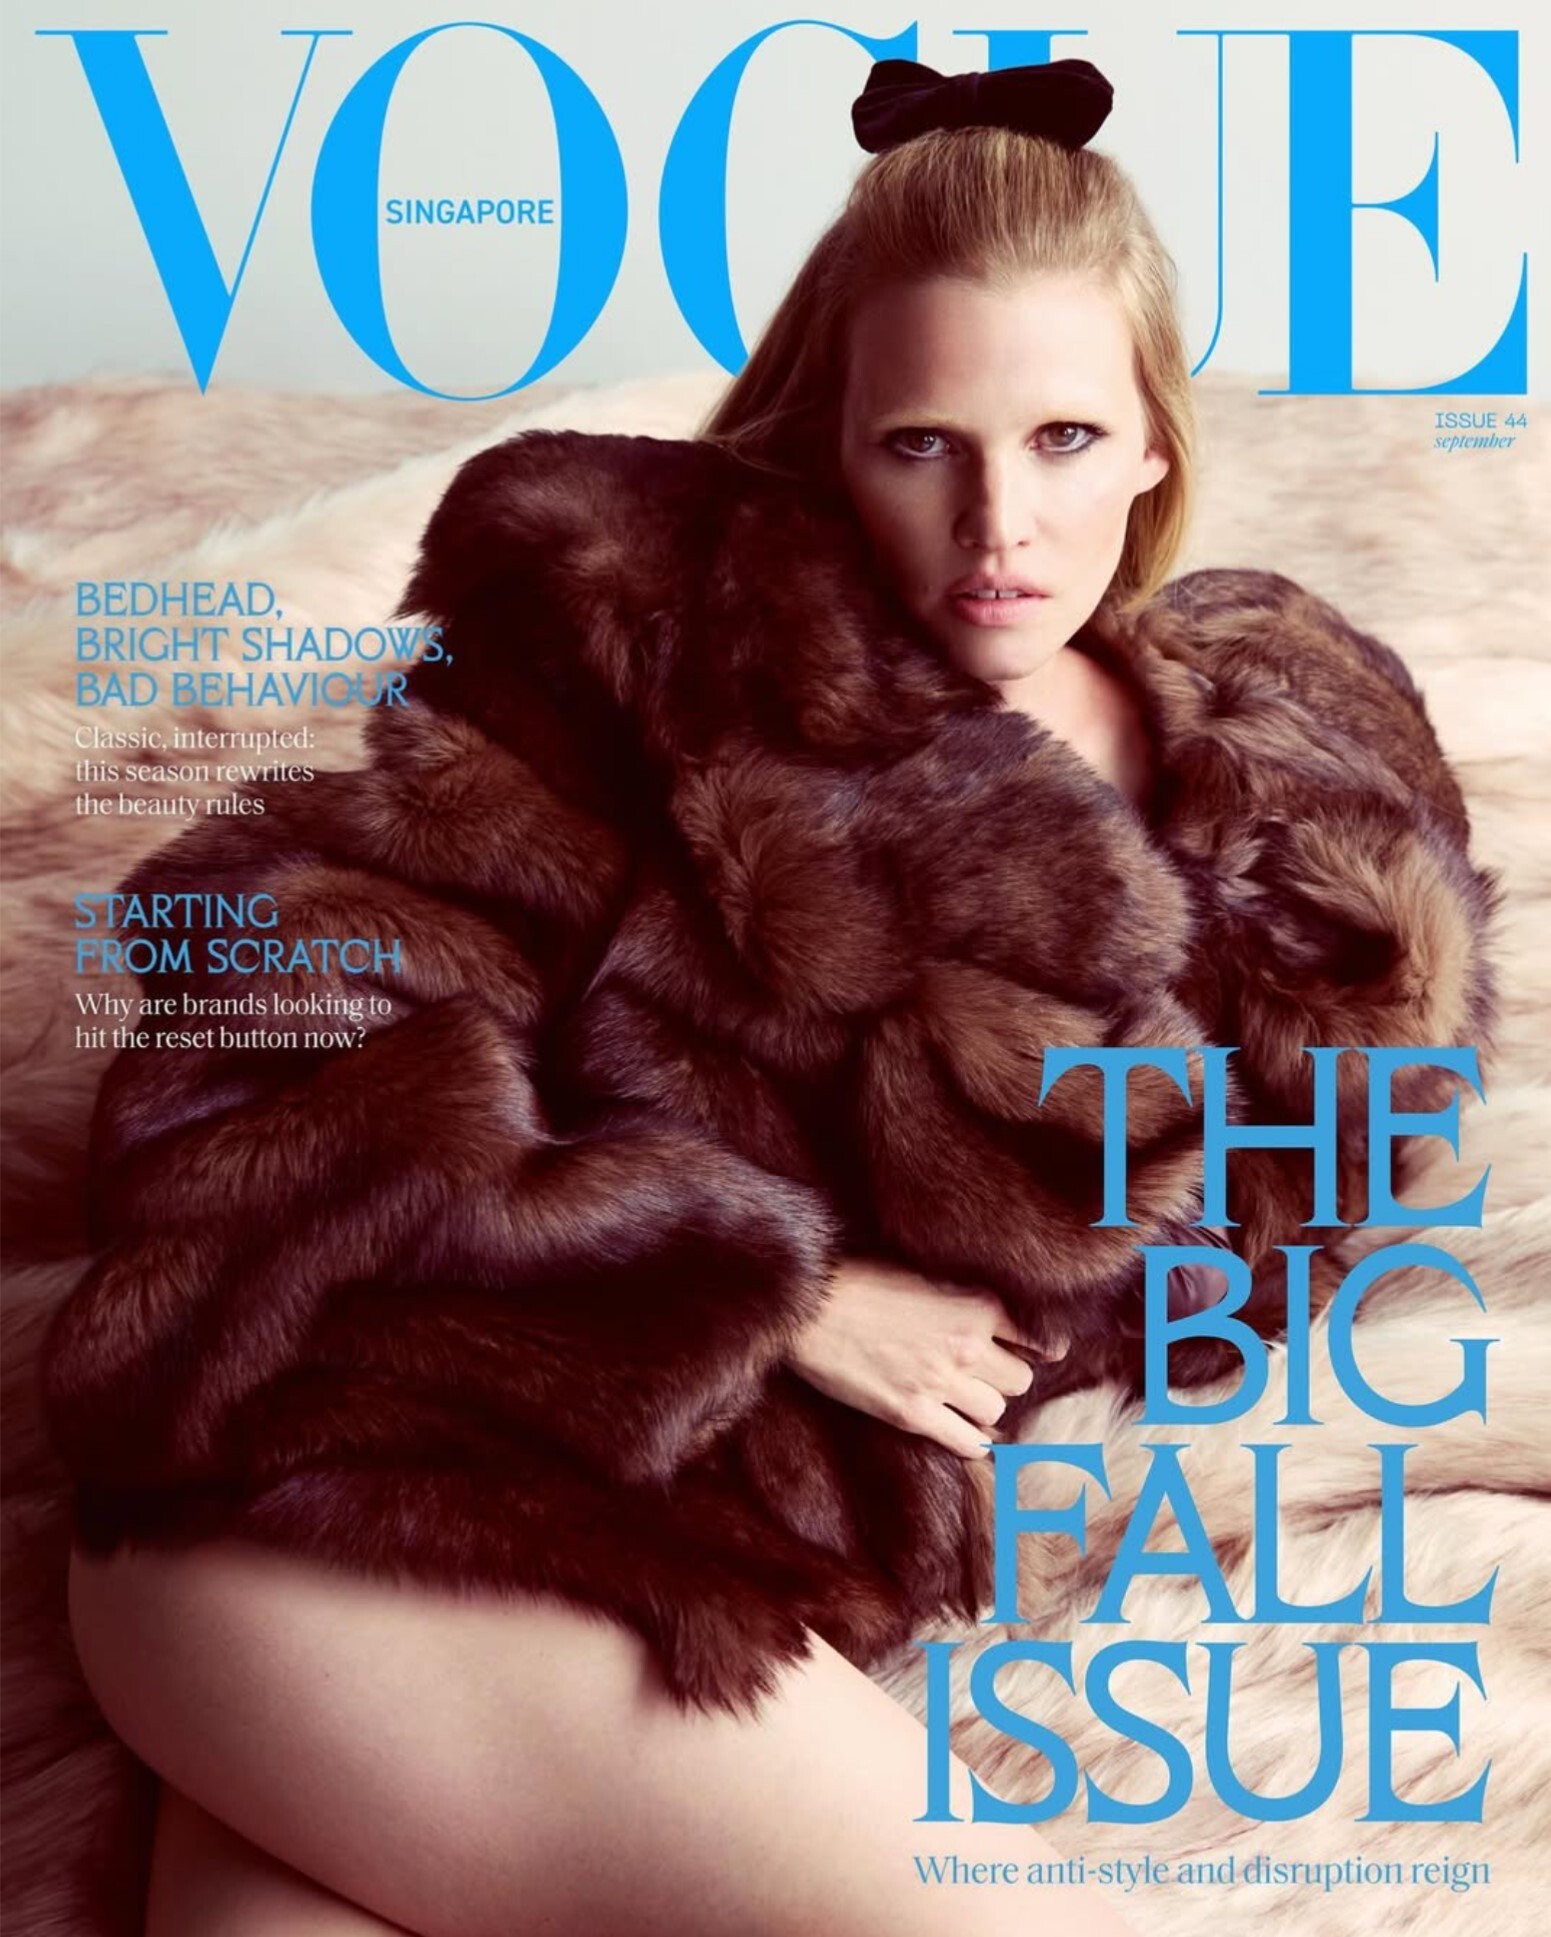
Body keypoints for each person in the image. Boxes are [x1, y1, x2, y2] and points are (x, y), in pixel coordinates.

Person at [56, 61, 1492, 1937]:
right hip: (342, 1466)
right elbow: (259, 1028)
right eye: (923, 443)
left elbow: (1299, 1189)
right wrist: (780, 1285)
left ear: (1156, 440)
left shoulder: (1307, 800)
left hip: (533, 1602)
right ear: (833, 439)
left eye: (1064, 437)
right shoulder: (646, 645)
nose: (999, 520)